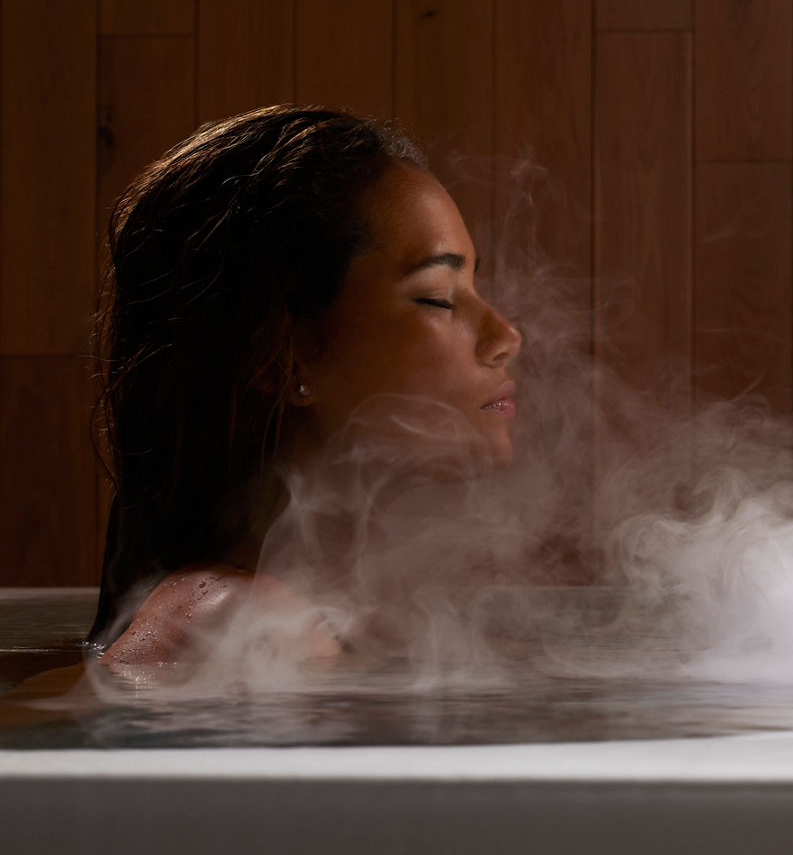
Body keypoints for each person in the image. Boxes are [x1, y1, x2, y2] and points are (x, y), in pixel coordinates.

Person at [88, 106, 523, 674]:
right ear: (281, 357)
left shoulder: (298, 613)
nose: (504, 336)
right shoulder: (231, 619)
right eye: (438, 296)